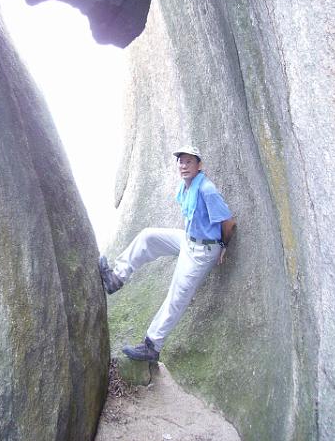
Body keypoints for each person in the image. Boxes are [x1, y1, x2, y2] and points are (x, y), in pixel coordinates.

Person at [99, 145, 236, 362]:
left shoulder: (206, 189)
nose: (183, 165)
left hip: (203, 250)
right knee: (148, 236)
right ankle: (116, 278)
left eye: (189, 161)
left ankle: (152, 346)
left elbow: (228, 222)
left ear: (199, 165)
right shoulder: (186, 187)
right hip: (189, 240)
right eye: (181, 161)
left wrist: (224, 246)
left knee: (177, 295)